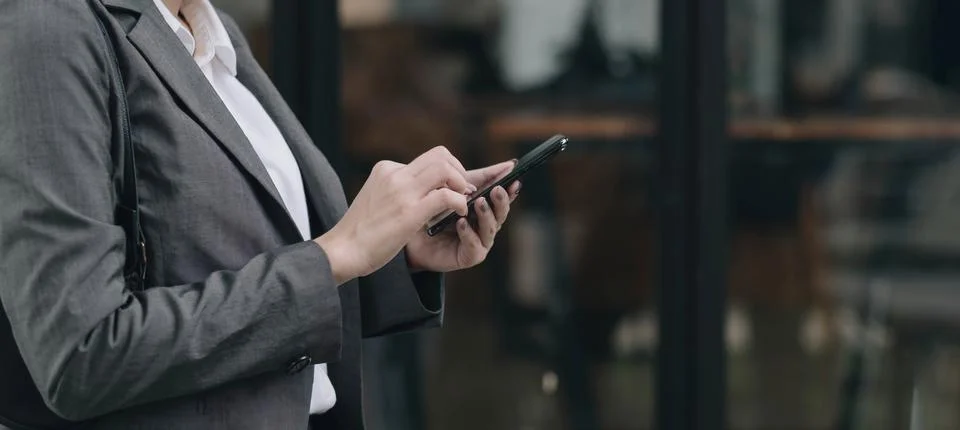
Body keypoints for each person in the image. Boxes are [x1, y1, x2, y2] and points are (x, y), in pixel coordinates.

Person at [0, 0, 519, 429]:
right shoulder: (50, 29)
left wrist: (398, 255)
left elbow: (254, 264)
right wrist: (336, 254)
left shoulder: (214, 33)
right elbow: (81, 355)